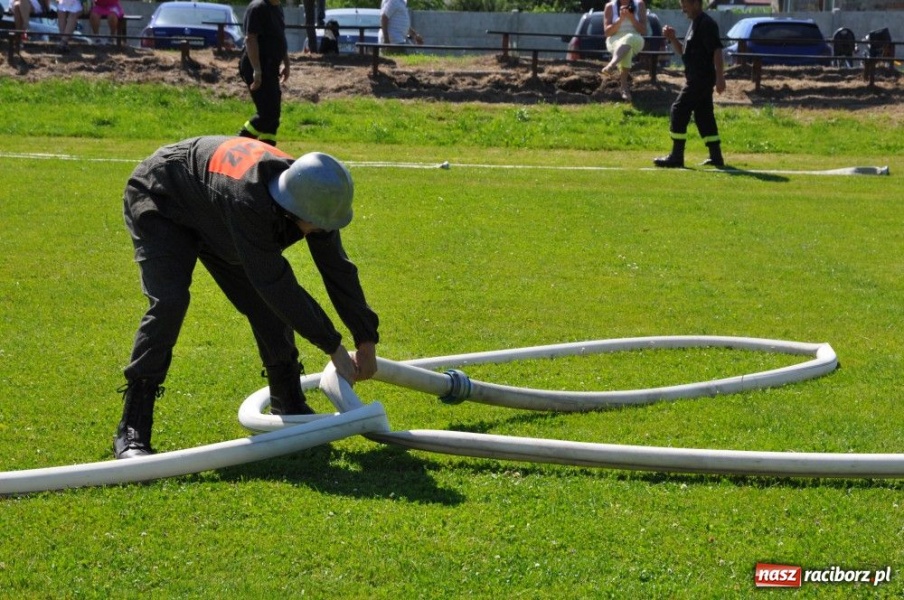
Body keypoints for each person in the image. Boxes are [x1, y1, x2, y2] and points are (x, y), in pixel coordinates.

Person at [115, 136, 380, 459]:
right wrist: (334, 346)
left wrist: (365, 339)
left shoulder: (314, 196)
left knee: (266, 306)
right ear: (292, 208)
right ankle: (133, 426)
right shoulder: (251, 202)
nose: (320, 231)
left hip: (213, 208)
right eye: (316, 225)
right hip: (162, 196)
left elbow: (338, 270)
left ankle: (288, 403)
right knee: (170, 302)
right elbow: (275, 283)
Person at [653, 0, 725, 168]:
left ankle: (676, 156)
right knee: (704, 115)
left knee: (679, 110)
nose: (682, 9)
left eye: (685, 5)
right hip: (696, 78)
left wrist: (720, 77)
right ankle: (716, 156)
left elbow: (717, 50)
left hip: (701, 78)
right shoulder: (695, 23)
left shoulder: (706, 23)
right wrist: (672, 38)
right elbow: (683, 52)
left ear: (695, 4)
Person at [239, 0, 290, 147]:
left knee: (273, 116)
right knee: (267, 114)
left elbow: (280, 38)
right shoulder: (257, 8)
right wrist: (257, 70)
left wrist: (286, 63)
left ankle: (267, 153)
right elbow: (251, 39)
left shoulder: (278, 8)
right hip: (256, 66)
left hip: (271, 67)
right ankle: (239, 144)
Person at [601, 0, 648, 102]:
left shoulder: (639, 4)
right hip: (615, 39)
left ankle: (612, 64)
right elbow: (607, 32)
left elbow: (643, 30)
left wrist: (631, 18)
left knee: (629, 38)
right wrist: (620, 19)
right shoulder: (610, 6)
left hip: (635, 38)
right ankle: (624, 87)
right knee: (627, 50)